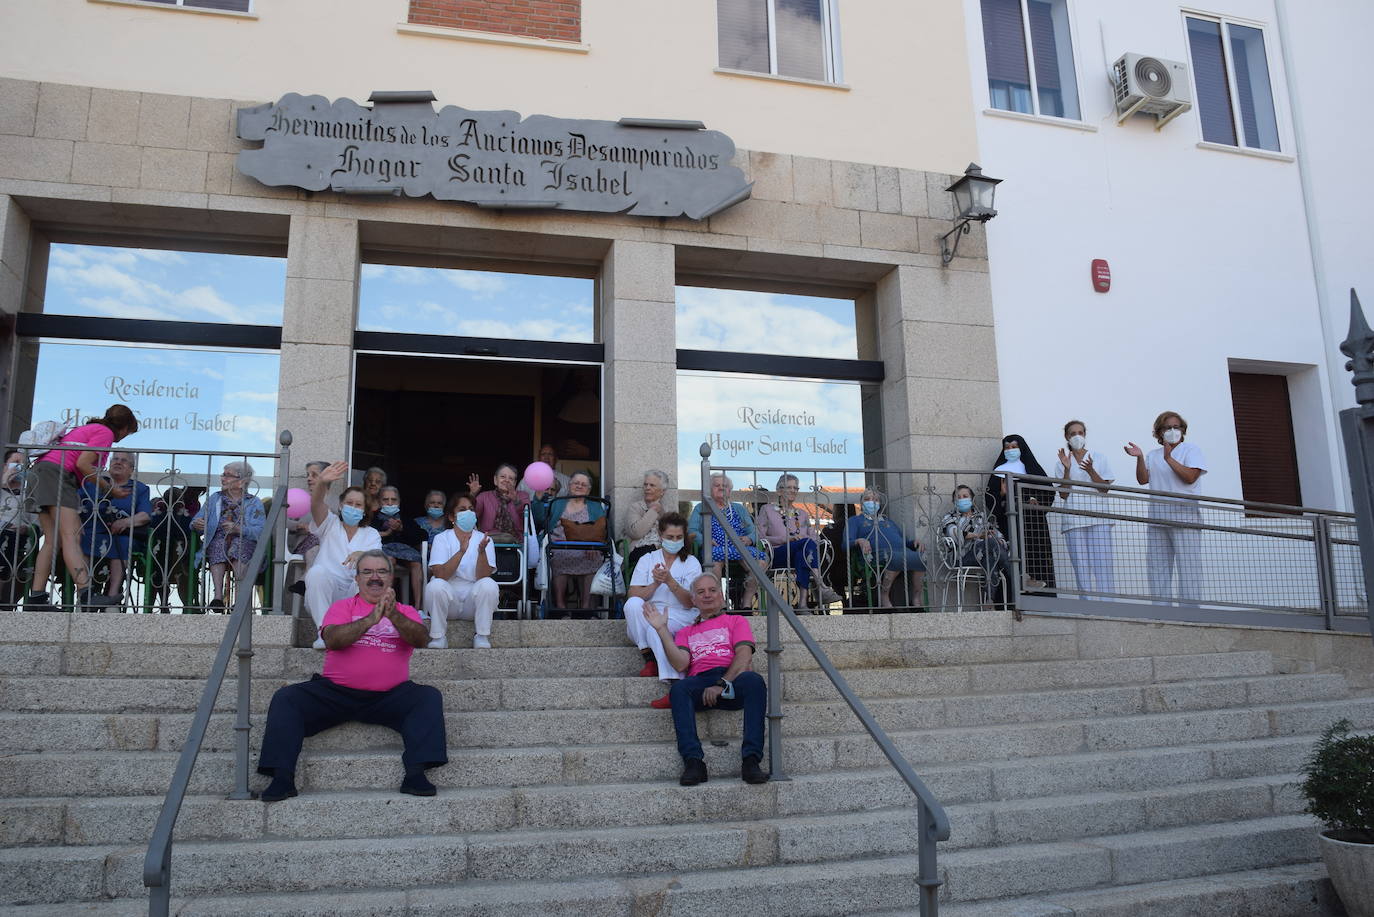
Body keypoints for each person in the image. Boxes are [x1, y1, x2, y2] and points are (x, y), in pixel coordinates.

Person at [256, 549, 444, 802]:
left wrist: (393, 615)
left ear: (391, 578)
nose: (374, 577)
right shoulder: (341, 607)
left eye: (381, 571)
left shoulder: (406, 611)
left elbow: (420, 639)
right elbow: (333, 640)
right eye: (367, 571)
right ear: (357, 579)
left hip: (390, 696)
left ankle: (415, 774)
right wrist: (370, 619)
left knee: (428, 697)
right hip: (337, 693)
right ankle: (282, 778)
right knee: (286, 698)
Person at [642, 572, 769, 787]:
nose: (707, 595)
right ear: (693, 600)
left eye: (712, 590)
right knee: (679, 689)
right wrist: (662, 630)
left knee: (755, 681)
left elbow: (744, 655)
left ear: (721, 596)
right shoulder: (685, 632)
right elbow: (681, 664)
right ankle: (693, 762)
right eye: (701, 592)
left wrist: (722, 683)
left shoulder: (736, 621)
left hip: (731, 678)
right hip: (700, 682)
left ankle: (751, 760)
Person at [24, 404, 139, 611]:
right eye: (128, 433)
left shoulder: (89, 428)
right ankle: (86, 593)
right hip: (58, 475)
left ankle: (36, 598)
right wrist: (110, 488)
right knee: (72, 537)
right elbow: (83, 464)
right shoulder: (105, 433)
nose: (124, 437)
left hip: (41, 472)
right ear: (124, 427)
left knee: (53, 540)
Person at [1126, 411, 1208, 603]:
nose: (1172, 431)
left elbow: (1190, 478)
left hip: (1185, 519)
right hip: (1158, 519)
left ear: (1182, 429)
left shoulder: (1191, 450)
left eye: (1176, 427)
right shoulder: (1153, 455)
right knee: (1157, 569)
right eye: (1167, 427)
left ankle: (1189, 615)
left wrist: (1169, 458)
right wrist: (1139, 457)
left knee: (1189, 569)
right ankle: (1162, 613)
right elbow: (1142, 479)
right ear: (1159, 432)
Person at [623, 513, 701, 706]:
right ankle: (648, 655)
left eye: (678, 537)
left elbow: (691, 603)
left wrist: (670, 581)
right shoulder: (647, 559)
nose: (674, 541)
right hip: (653, 610)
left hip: (681, 614)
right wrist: (655, 585)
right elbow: (632, 593)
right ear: (660, 535)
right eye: (669, 537)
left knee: (656, 627)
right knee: (632, 605)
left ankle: (675, 685)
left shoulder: (691, 562)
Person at [304, 461, 382, 649]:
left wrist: (363, 554)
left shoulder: (371, 534)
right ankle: (324, 633)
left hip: (354, 594)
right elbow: (316, 503)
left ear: (364, 510)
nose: (353, 508)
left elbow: (379, 563)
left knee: (366, 579)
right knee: (316, 573)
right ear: (340, 505)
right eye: (349, 503)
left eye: (358, 505)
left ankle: (358, 634)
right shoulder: (329, 524)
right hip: (326, 595)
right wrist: (321, 482)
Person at [423, 492, 498, 649]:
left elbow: (483, 576)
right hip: (449, 602)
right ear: (451, 517)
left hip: (473, 603)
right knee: (435, 585)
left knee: (489, 584)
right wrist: (461, 551)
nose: (468, 513)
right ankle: (438, 637)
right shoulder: (442, 538)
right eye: (462, 509)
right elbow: (440, 574)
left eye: (471, 509)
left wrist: (482, 552)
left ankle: (482, 636)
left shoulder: (485, 540)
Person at [753, 473, 839, 610]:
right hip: (778, 554)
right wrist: (785, 539)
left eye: (795, 488)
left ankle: (803, 604)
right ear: (779, 490)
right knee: (805, 545)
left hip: (801, 555)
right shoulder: (767, 510)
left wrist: (808, 540)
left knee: (803, 553)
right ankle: (820, 586)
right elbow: (759, 537)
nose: (793, 491)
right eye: (789, 487)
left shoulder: (802, 514)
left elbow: (813, 536)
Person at [78, 451, 152, 607]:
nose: (118, 462)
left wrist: (125, 522)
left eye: (124, 461)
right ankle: (84, 595)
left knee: (124, 543)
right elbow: (76, 505)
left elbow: (145, 515)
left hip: (120, 534)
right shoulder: (93, 483)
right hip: (92, 532)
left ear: (131, 469)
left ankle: (112, 596)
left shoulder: (139, 488)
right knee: (80, 541)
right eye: (115, 459)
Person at [191, 461, 266, 611]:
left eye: (227, 475)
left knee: (240, 546)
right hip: (218, 539)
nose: (222, 478)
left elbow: (261, 530)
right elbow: (196, 520)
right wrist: (196, 524)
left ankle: (239, 598)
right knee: (217, 544)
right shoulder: (215, 499)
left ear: (241, 482)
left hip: (245, 540)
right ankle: (218, 597)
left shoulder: (253, 502)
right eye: (223, 474)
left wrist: (239, 529)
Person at [687, 473, 769, 610]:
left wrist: (750, 538)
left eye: (724, 486)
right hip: (715, 547)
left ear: (730, 491)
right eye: (716, 485)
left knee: (761, 561)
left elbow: (754, 531)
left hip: (740, 546)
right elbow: (692, 530)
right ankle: (721, 604)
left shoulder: (739, 508)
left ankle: (746, 602)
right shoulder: (701, 507)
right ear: (709, 489)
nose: (721, 488)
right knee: (713, 560)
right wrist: (705, 540)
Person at [986, 434, 1056, 589]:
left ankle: (1042, 600)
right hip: (1007, 524)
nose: (1010, 450)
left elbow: (1048, 491)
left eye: (1014, 447)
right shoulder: (999, 472)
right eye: (1007, 447)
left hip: (1033, 525)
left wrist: (1035, 499)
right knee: (1011, 557)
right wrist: (1002, 494)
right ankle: (1013, 601)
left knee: (1036, 558)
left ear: (1021, 448)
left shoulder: (1032, 468)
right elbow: (989, 499)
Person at [1056, 420, 1115, 596]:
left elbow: (1104, 489)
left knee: (1103, 564)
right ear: (1067, 437)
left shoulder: (1099, 457)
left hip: (1099, 517)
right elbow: (1064, 495)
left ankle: (1108, 606)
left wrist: (1090, 470)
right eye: (1073, 433)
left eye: (1080, 432)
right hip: (1074, 520)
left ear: (1085, 435)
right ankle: (1087, 607)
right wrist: (1067, 469)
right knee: (1081, 567)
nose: (1077, 436)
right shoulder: (1062, 461)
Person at [843, 487, 926, 610]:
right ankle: (884, 595)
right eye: (867, 499)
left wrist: (913, 542)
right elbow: (845, 544)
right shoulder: (855, 521)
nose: (872, 502)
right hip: (876, 554)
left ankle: (916, 596)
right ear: (861, 503)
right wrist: (859, 540)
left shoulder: (888, 521)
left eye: (876, 500)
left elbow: (903, 541)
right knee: (895, 557)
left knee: (921, 558)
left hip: (901, 552)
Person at [541, 470, 605, 612]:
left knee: (594, 558)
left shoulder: (595, 506)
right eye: (576, 483)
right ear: (569, 486)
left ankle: (586, 606)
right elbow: (540, 519)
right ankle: (560, 606)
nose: (579, 486)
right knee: (558, 557)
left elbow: (602, 530)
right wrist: (539, 499)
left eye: (583, 484)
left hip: (588, 547)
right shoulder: (557, 503)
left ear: (588, 490)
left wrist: (594, 547)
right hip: (559, 545)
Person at [942, 484, 1010, 604]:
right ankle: (1018, 576)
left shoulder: (981, 517)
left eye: (965, 496)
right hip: (961, 558)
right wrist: (979, 536)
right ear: (954, 501)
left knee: (990, 557)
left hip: (982, 554)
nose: (962, 499)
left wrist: (995, 537)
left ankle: (989, 602)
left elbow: (998, 536)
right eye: (958, 497)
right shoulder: (950, 517)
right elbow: (954, 534)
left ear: (972, 499)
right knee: (990, 543)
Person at [373, 485, 425, 604]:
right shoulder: (373, 518)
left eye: (394, 500)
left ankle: (418, 608)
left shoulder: (405, 518)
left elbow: (422, 536)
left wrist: (402, 528)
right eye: (386, 500)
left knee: (416, 562)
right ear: (379, 502)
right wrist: (386, 532)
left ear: (399, 502)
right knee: (389, 560)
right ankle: (384, 603)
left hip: (404, 555)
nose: (390, 503)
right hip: (383, 554)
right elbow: (366, 534)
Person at [0, 451, 36, 605]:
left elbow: (37, 523)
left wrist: (25, 528)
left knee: (7, 540)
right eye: (15, 462)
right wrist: (4, 482)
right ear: (5, 466)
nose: (19, 467)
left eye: (23, 464)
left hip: (17, 537)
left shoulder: (29, 495)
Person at [468, 463, 531, 545]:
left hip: (516, 544)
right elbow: (470, 514)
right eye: (503, 477)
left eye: (511, 478)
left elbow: (527, 518)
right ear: (495, 480)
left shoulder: (522, 496)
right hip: (487, 543)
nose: (506, 480)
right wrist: (472, 495)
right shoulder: (484, 497)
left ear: (515, 483)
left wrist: (516, 500)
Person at [624, 469, 670, 571]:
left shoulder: (667, 511)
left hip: (664, 550)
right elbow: (636, 532)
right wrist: (653, 510)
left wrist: (660, 511)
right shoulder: (635, 507)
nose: (647, 488)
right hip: (640, 550)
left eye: (652, 485)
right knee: (653, 556)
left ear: (662, 491)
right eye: (645, 485)